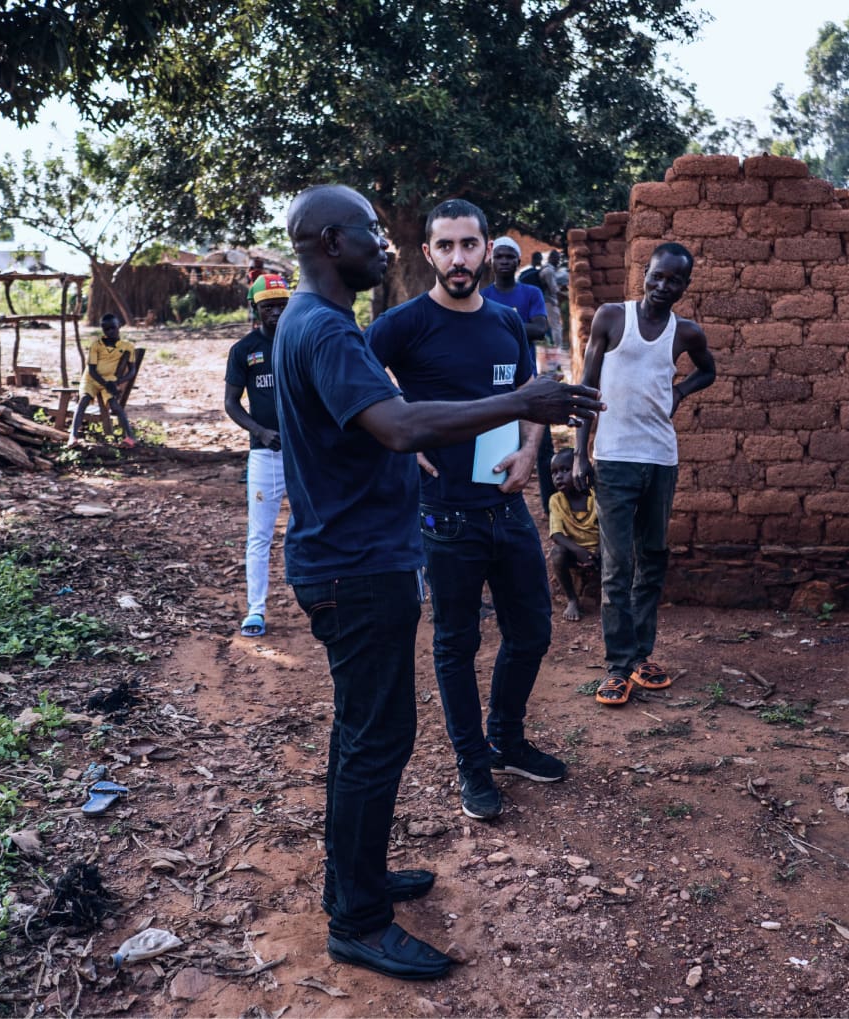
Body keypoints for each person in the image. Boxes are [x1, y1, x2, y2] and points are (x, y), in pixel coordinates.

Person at [271, 184, 601, 981]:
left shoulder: (316, 324)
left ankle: (358, 878)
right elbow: (400, 426)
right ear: (324, 241)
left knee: (366, 735)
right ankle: (356, 918)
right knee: (374, 741)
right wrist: (522, 400)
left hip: (357, 560)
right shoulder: (327, 331)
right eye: (368, 231)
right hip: (356, 568)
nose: (381, 243)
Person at [367, 198, 567, 824]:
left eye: (469, 245)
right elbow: (356, 393)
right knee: (456, 645)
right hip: (444, 516)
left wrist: (531, 452)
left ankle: (506, 740)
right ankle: (472, 766)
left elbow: (532, 402)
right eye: (446, 246)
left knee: (532, 630)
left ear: (487, 249)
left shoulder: (508, 322)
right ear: (427, 253)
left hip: (506, 509)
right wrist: (400, 453)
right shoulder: (400, 325)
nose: (459, 258)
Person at [573, 241, 716, 707]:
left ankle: (640, 656)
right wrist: (580, 454)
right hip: (614, 458)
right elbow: (587, 389)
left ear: (684, 286)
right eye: (657, 276)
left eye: (674, 280)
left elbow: (707, 372)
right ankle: (617, 667)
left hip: (660, 459)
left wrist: (680, 393)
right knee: (618, 566)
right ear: (645, 274)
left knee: (652, 557)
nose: (663, 285)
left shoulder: (685, 332)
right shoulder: (612, 319)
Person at [224, 272, 291, 637]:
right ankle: (256, 609)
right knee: (260, 534)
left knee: (312, 526)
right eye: (269, 307)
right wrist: (261, 432)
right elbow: (231, 404)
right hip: (265, 456)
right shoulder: (244, 350)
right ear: (255, 308)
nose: (276, 313)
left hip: (303, 456)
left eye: (282, 306)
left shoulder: (299, 344)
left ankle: (318, 601)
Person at [481, 237, 556, 517]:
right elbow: (478, 331)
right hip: (492, 384)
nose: (503, 261)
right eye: (499, 256)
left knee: (541, 446)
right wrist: (516, 325)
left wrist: (497, 325)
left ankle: (550, 508)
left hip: (527, 380)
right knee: (495, 447)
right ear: (491, 261)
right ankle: (497, 506)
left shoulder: (531, 293)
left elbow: (540, 329)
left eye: (509, 257)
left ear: (517, 261)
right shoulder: (484, 295)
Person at [68, 313, 138, 447]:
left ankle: (130, 437)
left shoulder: (127, 346)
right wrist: (106, 384)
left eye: (113, 328)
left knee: (115, 406)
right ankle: (73, 436)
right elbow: (92, 370)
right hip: (91, 379)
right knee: (83, 401)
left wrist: (117, 382)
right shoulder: (96, 345)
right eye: (107, 329)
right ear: (103, 330)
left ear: (119, 326)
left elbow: (132, 370)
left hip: (110, 380)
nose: (110, 331)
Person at [547, 448, 599, 621]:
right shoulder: (556, 500)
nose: (558, 477)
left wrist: (597, 552)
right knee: (557, 553)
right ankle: (572, 599)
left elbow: (608, 528)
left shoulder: (595, 495)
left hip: (601, 551)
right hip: (575, 552)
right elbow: (556, 534)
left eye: (564, 470)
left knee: (620, 550)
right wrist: (579, 552)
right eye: (554, 473)